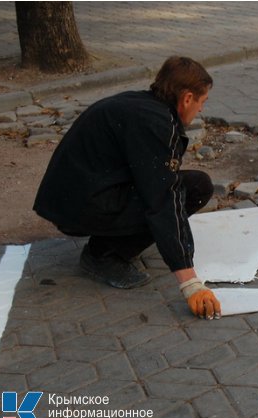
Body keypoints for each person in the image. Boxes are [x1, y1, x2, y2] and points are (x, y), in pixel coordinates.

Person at [33, 56, 221, 320]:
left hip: (73, 196)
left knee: (191, 184)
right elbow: (163, 200)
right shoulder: (156, 123)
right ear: (187, 98)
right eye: (202, 102)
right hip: (80, 206)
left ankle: (108, 242)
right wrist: (190, 282)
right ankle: (102, 256)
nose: (201, 109)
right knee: (187, 192)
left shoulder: (144, 106)